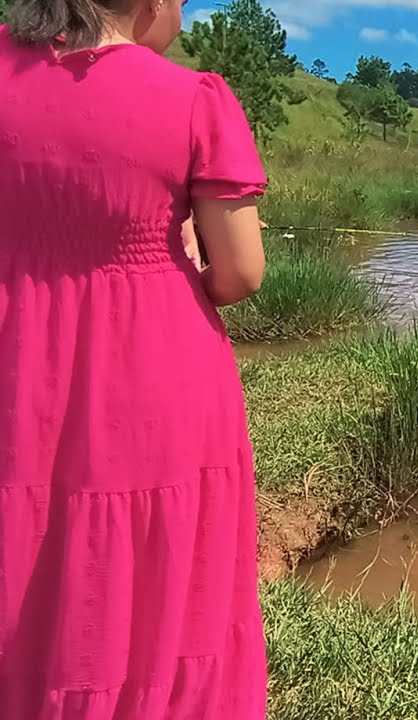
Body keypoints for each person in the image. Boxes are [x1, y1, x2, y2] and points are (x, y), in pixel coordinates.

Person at [0, 1, 269, 717]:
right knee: (148, 570)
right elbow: (241, 272)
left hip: (14, 352)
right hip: (150, 362)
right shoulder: (193, 100)